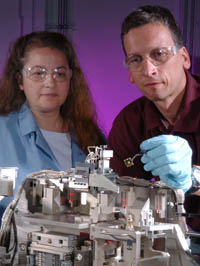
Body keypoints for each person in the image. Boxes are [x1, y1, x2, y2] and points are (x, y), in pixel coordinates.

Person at [107, 5, 200, 254]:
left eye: (159, 54)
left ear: (184, 58)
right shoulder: (128, 123)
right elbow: (120, 199)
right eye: (136, 60)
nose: (149, 70)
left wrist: (191, 178)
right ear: (129, 72)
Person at [0, 31, 105, 219]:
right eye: (38, 73)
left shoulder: (90, 137)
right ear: (20, 81)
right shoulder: (3, 133)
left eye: (60, 73)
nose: (50, 82)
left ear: (70, 80)